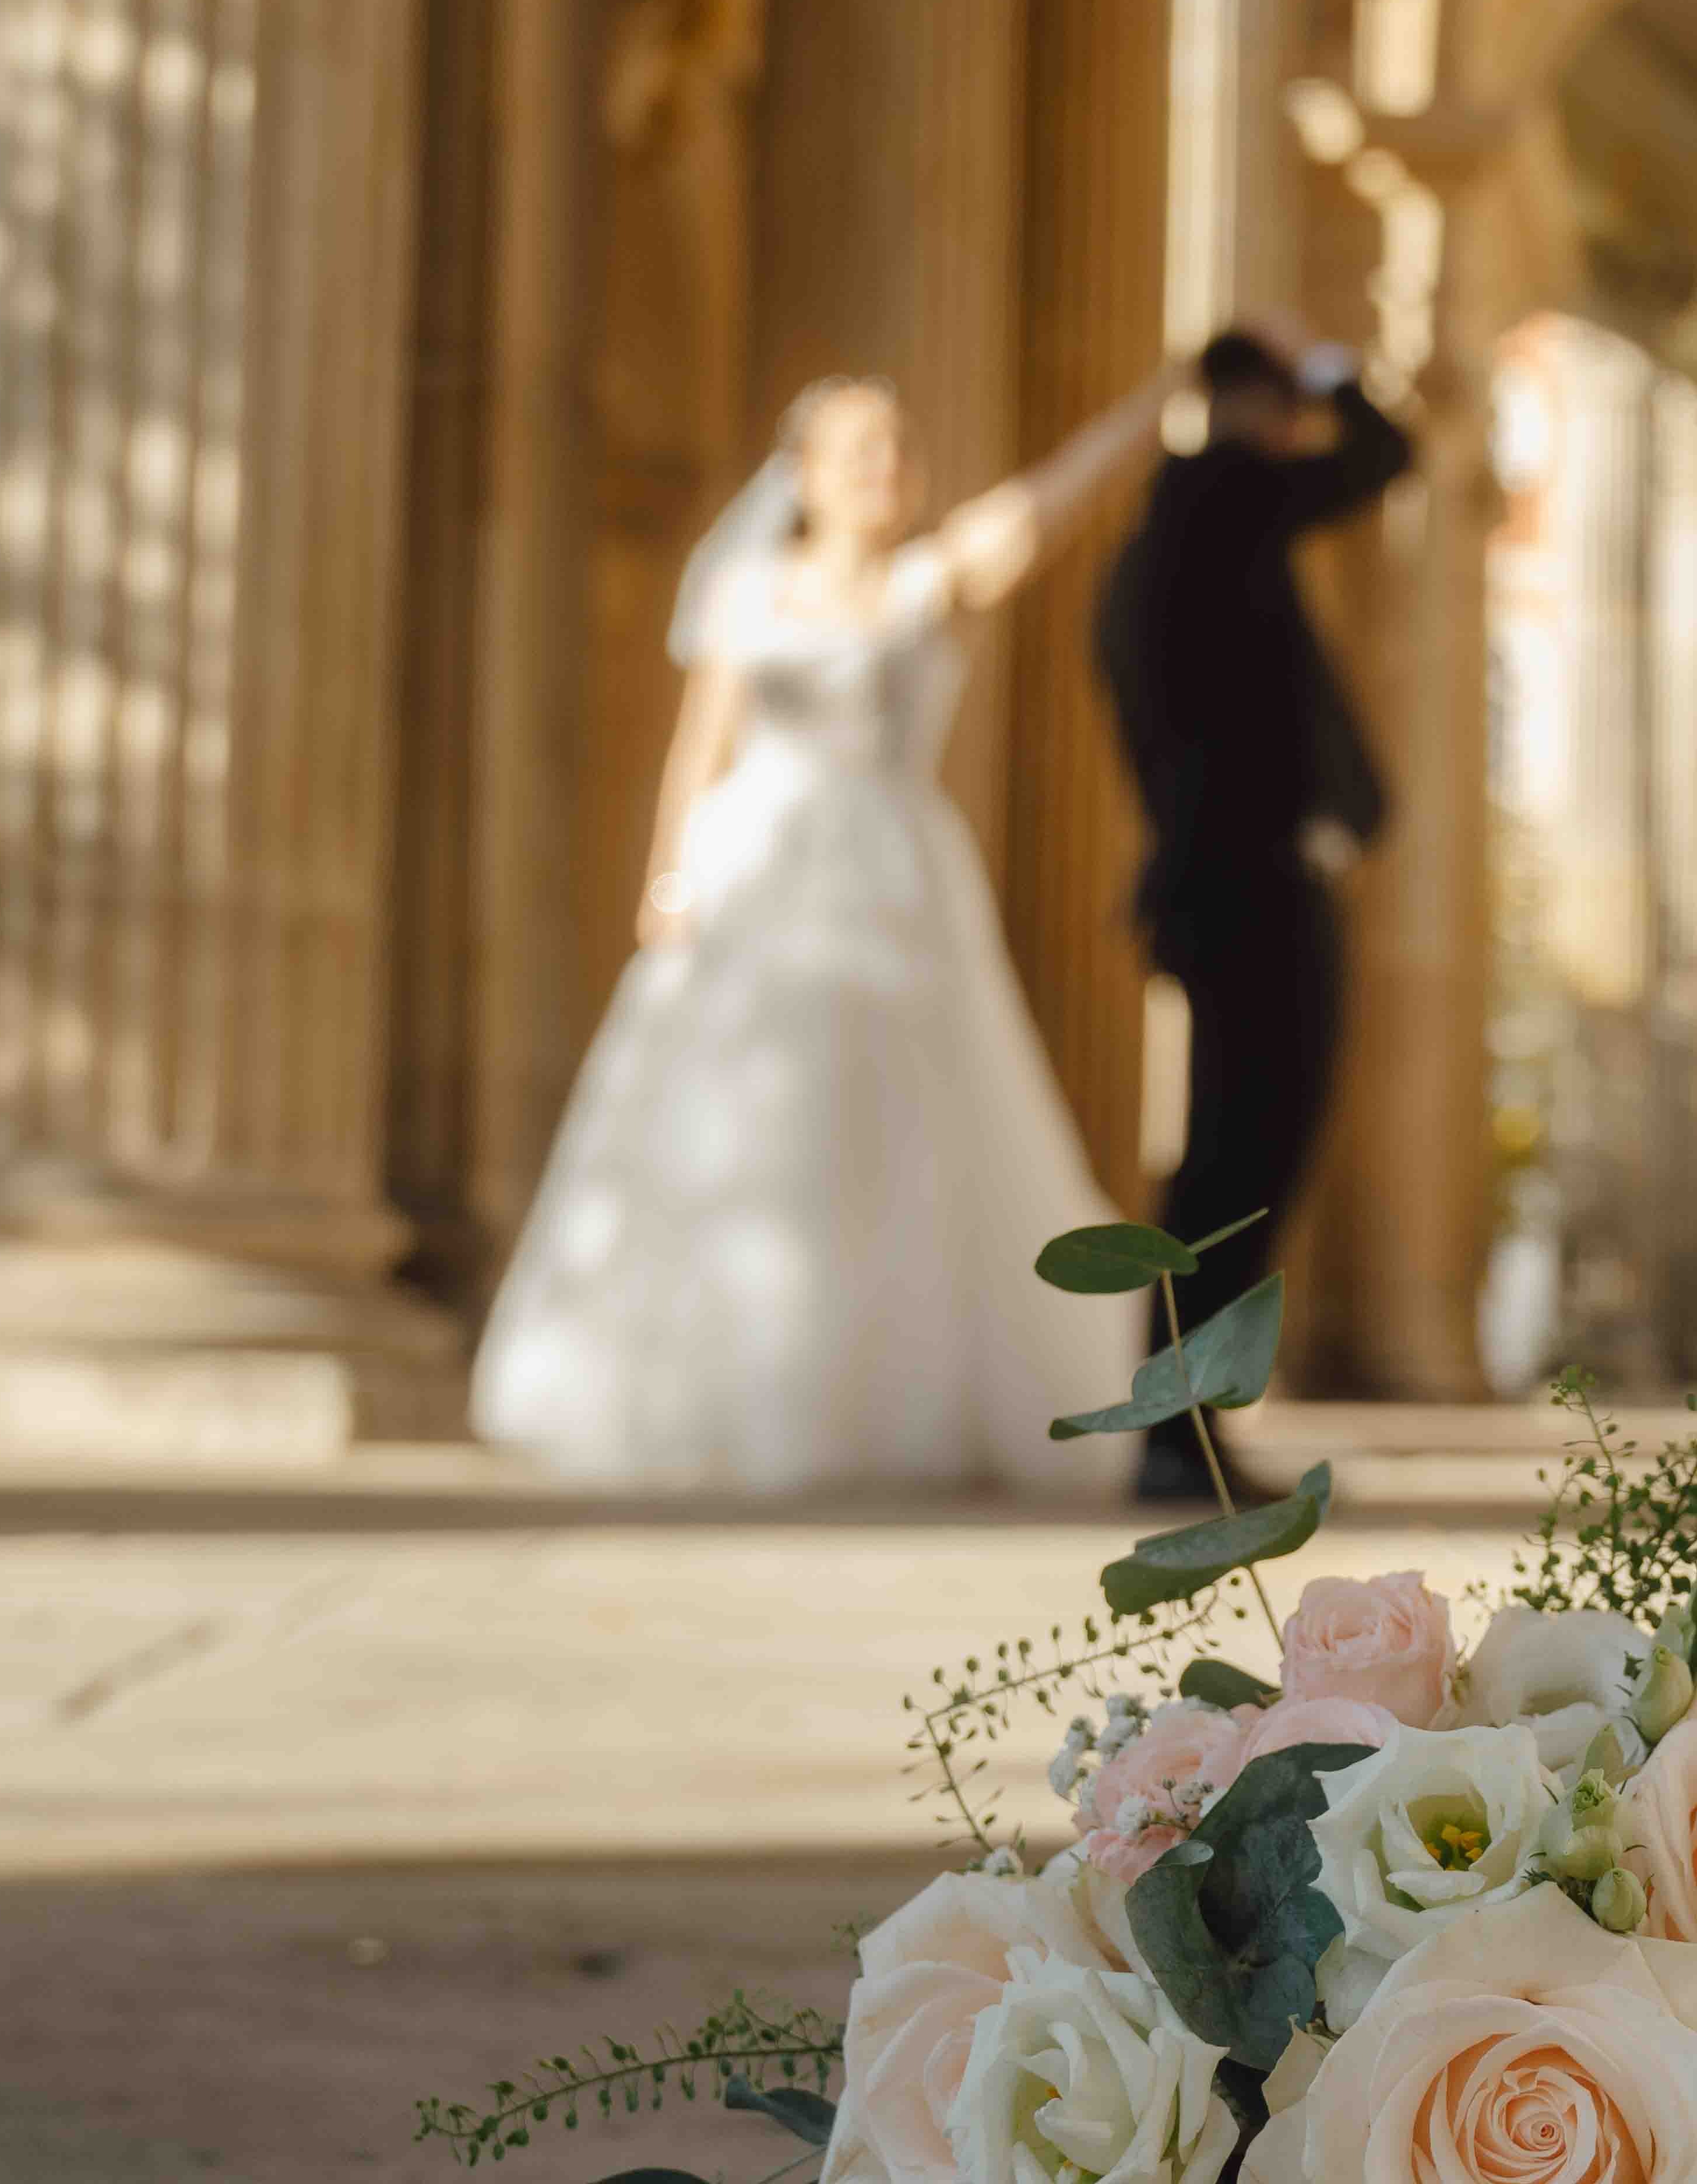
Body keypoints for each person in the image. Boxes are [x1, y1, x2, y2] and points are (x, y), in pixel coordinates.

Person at [472, 362, 1174, 1491]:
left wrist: (1152, 410)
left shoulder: (927, 582)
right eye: (858, 451)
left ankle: (885, 1398)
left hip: (893, 880)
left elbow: (1045, 508)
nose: (883, 469)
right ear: (805, 475)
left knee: (896, 1129)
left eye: (898, 448)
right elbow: (702, 745)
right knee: (740, 1126)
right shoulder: (748, 590)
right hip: (756, 869)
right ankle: (729, 1394)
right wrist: (668, 879)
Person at [1094, 320, 1413, 1502]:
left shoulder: (1178, 528)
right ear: (1251, 408)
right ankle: (1177, 1427)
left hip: (1223, 880)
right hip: (1246, 884)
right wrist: (1332, 368)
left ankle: (1186, 1422)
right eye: (1286, 407)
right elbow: (1384, 458)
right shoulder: (1219, 496)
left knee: (1237, 1159)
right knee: (1240, 1158)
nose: (1299, 433)